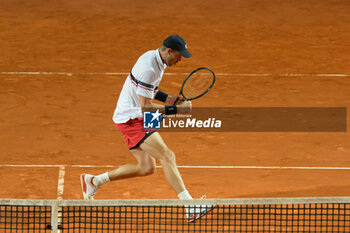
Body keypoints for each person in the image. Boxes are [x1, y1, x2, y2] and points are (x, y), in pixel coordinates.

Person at [80, 35, 214, 222]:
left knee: (146, 167)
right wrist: (176, 109)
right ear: (169, 51)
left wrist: (167, 99)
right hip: (132, 118)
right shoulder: (149, 68)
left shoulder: (154, 58)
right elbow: (146, 107)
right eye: (178, 55)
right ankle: (190, 206)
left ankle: (93, 181)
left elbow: (148, 90)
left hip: (134, 114)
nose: (180, 59)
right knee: (167, 155)